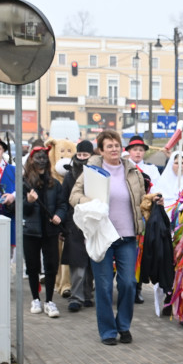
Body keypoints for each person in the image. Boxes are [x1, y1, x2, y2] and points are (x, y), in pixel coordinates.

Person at [69, 130, 151, 346]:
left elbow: (141, 200)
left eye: (116, 145)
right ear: (101, 150)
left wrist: (152, 202)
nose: (114, 149)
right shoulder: (92, 171)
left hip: (127, 235)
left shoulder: (132, 171)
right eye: (109, 146)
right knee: (104, 286)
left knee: (128, 283)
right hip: (102, 236)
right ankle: (107, 330)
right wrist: (92, 202)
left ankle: (123, 326)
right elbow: (74, 196)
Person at [19, 146, 67, 318]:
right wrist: (30, 201)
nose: (41, 160)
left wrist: (59, 216)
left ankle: (49, 301)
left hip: (50, 231)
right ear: (31, 160)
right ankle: (35, 298)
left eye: (44, 157)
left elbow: (62, 204)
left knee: (51, 265)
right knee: (32, 266)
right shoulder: (24, 183)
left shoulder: (55, 184)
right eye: (38, 157)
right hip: (30, 231)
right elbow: (21, 208)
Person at [60, 140, 95, 313]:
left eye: (85, 155)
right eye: (79, 155)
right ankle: (76, 297)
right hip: (74, 224)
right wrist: (65, 225)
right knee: (77, 264)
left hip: (94, 223)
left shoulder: (97, 173)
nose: (82, 158)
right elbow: (64, 200)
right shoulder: (69, 175)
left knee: (92, 263)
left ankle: (88, 295)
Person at [125, 135, 161, 305]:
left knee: (139, 253)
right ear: (129, 151)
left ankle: (136, 289)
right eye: (135, 150)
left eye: (140, 150)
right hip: (124, 215)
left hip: (143, 216)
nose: (138, 153)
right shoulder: (122, 167)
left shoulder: (151, 170)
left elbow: (157, 190)